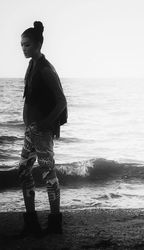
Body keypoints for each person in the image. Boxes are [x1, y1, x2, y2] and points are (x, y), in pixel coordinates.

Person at [18, 21, 67, 237]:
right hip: (31, 132)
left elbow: (61, 101)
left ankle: (55, 223)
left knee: (48, 174)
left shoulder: (46, 69)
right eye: (22, 45)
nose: (23, 49)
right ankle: (32, 223)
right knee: (24, 170)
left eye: (27, 45)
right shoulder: (32, 65)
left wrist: (47, 124)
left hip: (42, 132)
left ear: (37, 44)